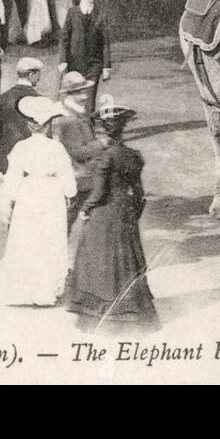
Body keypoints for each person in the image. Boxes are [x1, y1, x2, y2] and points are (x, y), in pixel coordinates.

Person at [66, 141, 160, 333]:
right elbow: (139, 191)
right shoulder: (132, 155)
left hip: (106, 212)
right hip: (126, 210)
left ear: (106, 131)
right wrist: (135, 211)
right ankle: (132, 308)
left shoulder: (106, 156)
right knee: (127, 258)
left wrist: (85, 209)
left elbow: (99, 193)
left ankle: (100, 310)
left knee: (95, 255)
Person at [0, 96, 77, 306]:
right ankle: (46, 290)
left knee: (28, 239)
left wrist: (8, 202)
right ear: (48, 124)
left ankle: (23, 291)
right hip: (51, 194)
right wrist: (69, 194)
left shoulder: (20, 148)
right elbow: (67, 176)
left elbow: (12, 177)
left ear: (29, 124)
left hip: (29, 193)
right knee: (49, 238)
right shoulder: (56, 148)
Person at [53, 70, 107, 227]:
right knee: (68, 221)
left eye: (84, 91)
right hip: (79, 178)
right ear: (68, 94)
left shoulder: (75, 113)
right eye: (78, 93)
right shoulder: (70, 119)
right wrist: (101, 143)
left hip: (81, 177)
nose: (84, 96)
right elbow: (78, 152)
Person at [58, 0, 111, 114]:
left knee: (89, 97)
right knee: (75, 96)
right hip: (75, 63)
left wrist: (106, 66)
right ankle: (76, 126)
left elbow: (105, 41)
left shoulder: (100, 14)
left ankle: (89, 129)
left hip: (94, 64)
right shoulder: (72, 13)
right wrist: (63, 60)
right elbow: (64, 38)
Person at [0, 57, 45, 173]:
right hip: (31, 161)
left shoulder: (3, 98)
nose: (40, 78)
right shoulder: (40, 100)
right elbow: (45, 134)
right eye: (38, 74)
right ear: (31, 75)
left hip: (7, 158)